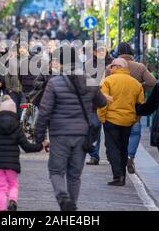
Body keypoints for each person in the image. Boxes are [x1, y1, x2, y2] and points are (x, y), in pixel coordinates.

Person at [35, 46, 107, 211]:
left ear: (61, 63)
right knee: (74, 175)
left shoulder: (54, 83)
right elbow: (102, 102)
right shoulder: (89, 80)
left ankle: (63, 197)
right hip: (82, 135)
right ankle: (71, 206)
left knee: (56, 171)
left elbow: (44, 112)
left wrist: (39, 138)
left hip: (59, 134)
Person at [0, 96, 47, 211]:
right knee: (13, 184)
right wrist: (41, 146)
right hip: (12, 164)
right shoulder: (16, 127)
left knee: (1, 188)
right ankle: (12, 200)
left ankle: (2, 209)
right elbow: (27, 146)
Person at [98, 58, 145, 186]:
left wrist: (102, 118)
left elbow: (103, 102)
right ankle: (122, 175)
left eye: (111, 66)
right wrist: (135, 119)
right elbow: (140, 104)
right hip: (128, 120)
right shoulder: (136, 83)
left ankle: (118, 176)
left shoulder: (108, 81)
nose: (110, 69)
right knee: (124, 147)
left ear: (117, 67)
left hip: (111, 119)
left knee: (112, 147)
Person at [112, 42, 156, 174]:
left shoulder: (113, 66)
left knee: (118, 133)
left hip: (116, 105)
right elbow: (152, 82)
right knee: (135, 132)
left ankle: (121, 157)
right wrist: (140, 87)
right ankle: (130, 156)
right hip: (134, 105)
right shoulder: (139, 67)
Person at [85, 43, 113, 166]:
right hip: (94, 103)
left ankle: (112, 155)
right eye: (99, 50)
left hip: (111, 102)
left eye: (104, 50)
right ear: (94, 52)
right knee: (94, 128)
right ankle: (94, 156)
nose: (101, 52)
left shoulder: (113, 63)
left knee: (111, 131)